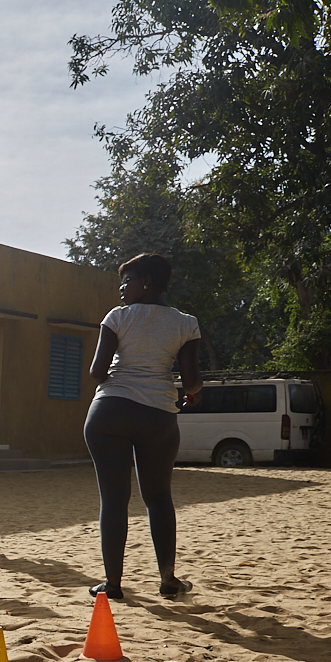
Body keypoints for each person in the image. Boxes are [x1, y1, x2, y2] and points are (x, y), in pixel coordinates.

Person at [85, 253, 202, 599]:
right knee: (159, 498)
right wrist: (191, 393)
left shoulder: (118, 317)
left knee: (114, 499)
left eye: (127, 280)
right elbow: (192, 380)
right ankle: (167, 578)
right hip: (158, 416)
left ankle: (113, 584)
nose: (122, 289)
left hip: (109, 414)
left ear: (147, 281)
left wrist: (123, 380)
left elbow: (96, 372)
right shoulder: (185, 323)